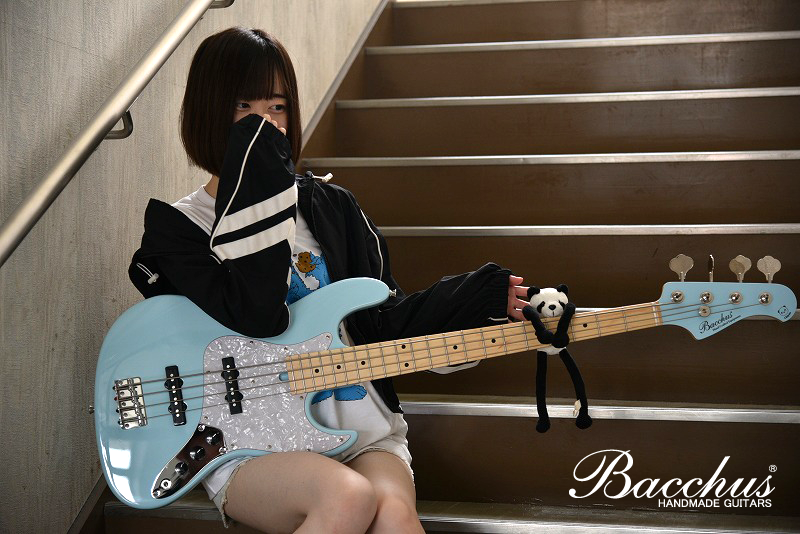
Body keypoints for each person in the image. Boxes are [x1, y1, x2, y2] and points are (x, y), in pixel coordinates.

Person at [129, 26, 529, 534]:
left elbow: (381, 321)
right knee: (347, 498)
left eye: (277, 107)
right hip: (250, 443)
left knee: (393, 514)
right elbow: (256, 315)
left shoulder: (333, 207)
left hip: (361, 430)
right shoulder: (178, 230)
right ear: (207, 112)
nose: (264, 123)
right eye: (243, 107)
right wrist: (259, 192)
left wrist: (473, 299)